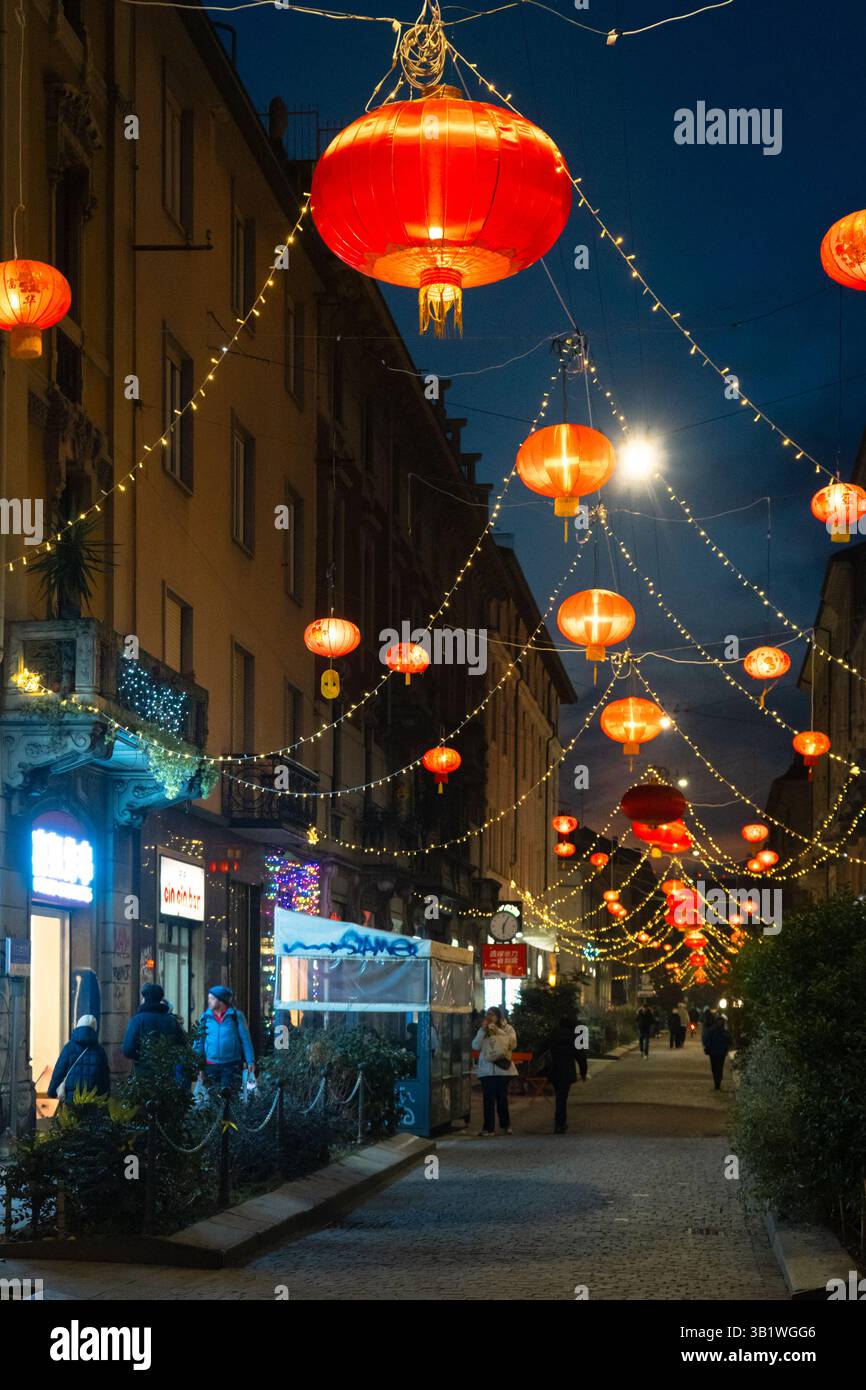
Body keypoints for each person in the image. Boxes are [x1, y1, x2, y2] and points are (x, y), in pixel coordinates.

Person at [194, 985, 255, 1092]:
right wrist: (198, 1065)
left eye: (212, 999)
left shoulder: (235, 1016)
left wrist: (250, 1061)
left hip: (231, 1066)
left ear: (221, 1001)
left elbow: (245, 1039)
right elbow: (200, 1041)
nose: (209, 1002)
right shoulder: (205, 1017)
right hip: (210, 1066)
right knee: (212, 1099)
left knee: (230, 1098)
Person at [472, 1006, 517, 1136]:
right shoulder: (483, 1030)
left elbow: (512, 1043)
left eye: (492, 1014)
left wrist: (498, 1031)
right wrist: (482, 1030)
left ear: (498, 1016)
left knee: (502, 1098)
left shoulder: (507, 1028)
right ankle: (488, 1128)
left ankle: (505, 1124)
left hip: (502, 1070)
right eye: (487, 1014)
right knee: (488, 1100)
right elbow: (475, 1045)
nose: (489, 1017)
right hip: (486, 1070)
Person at [47, 1014, 110, 1102]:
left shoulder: (69, 1048)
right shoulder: (100, 1051)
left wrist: (52, 1091)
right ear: (95, 1029)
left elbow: (59, 1071)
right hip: (92, 1100)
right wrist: (105, 1097)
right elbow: (104, 1079)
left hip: (70, 1099)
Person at [122, 983, 185, 1067]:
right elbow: (182, 1047)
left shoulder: (138, 1020)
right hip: (168, 1071)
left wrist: (142, 1057)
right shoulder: (172, 1021)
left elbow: (127, 1049)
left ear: (145, 999)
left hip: (144, 1072)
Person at [546, 1013, 579, 1133]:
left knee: (559, 1096)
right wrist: (584, 1071)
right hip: (567, 1070)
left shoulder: (553, 1034)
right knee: (562, 1097)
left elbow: (546, 1048)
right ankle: (561, 1123)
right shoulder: (574, 1036)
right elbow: (580, 1054)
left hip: (555, 1070)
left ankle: (559, 1123)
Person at [704, 1013, 732, 1090]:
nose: (719, 1023)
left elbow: (729, 1041)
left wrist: (726, 1048)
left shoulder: (724, 1032)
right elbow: (707, 1040)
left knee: (719, 1068)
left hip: (720, 1053)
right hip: (713, 1053)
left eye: (721, 1022)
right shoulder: (712, 1031)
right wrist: (707, 1047)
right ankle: (716, 1083)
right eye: (718, 1021)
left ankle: (718, 1083)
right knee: (714, 1068)